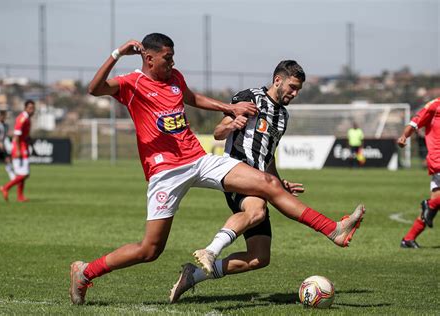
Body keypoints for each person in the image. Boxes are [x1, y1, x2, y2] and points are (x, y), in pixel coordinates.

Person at [69, 33, 365, 305]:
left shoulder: (175, 78)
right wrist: (117, 53)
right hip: (165, 172)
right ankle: (85, 272)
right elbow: (95, 89)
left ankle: (333, 230)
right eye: (167, 58)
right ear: (149, 58)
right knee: (150, 250)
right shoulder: (132, 83)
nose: (173, 62)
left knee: (269, 184)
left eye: (173, 57)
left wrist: (229, 106)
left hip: (198, 159)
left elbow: (194, 99)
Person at [398, 97, 440, 248]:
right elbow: (415, 122)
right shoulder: (434, 106)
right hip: (438, 158)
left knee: (436, 203)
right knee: (433, 204)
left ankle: (408, 239)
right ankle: (428, 204)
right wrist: (404, 136)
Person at [0, 100, 35, 202]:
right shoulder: (22, 118)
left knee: (22, 174)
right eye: (30, 108)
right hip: (19, 149)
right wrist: (18, 150)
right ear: (25, 108)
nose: (32, 110)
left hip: (24, 147)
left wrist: (29, 140)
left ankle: (20, 196)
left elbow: (24, 135)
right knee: (24, 174)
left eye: (33, 108)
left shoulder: (27, 118)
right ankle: (5, 187)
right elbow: (16, 135)